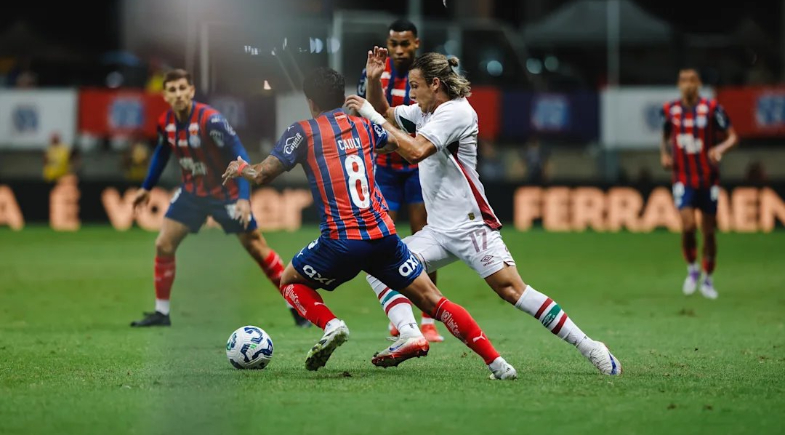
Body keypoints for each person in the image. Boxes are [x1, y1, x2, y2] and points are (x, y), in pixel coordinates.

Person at [222, 66, 517, 379]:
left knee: (289, 281)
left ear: (311, 102)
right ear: (341, 97)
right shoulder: (364, 127)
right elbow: (394, 144)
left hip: (340, 241)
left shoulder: (302, 132)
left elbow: (262, 174)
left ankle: (331, 325)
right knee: (434, 300)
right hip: (384, 237)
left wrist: (241, 169)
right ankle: (498, 364)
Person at [347, 47, 621, 375]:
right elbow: (384, 113)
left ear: (435, 84)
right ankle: (409, 333)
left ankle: (590, 346)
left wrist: (372, 115)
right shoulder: (424, 112)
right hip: (438, 230)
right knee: (379, 264)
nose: (411, 93)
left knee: (512, 290)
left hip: (471, 227)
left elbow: (415, 151)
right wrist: (374, 81)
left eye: (416, 86)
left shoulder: (456, 112)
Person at [129, 69, 309, 328]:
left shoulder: (211, 121)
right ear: (165, 95)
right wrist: (146, 187)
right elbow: (162, 152)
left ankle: (296, 307)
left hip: (227, 193)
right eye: (173, 90)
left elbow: (239, 154)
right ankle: (161, 312)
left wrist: (244, 198)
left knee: (257, 248)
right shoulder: (165, 123)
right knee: (163, 245)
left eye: (183, 88)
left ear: (191, 91)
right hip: (192, 193)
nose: (178, 94)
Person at [357, 19, 443, 342]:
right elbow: (363, 112)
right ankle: (399, 316)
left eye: (405, 43)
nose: (399, 49)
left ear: (416, 43)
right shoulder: (374, 73)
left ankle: (429, 318)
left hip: (419, 169)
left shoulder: (426, 76)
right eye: (393, 43)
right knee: (383, 240)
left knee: (425, 239)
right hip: (385, 170)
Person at [659, 68, 738, 299]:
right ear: (678, 84)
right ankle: (693, 269)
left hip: (708, 178)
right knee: (688, 226)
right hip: (683, 177)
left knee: (709, 232)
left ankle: (708, 279)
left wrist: (719, 149)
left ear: (699, 84)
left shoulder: (712, 108)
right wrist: (664, 154)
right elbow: (664, 136)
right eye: (684, 80)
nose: (688, 84)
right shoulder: (670, 110)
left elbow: (733, 137)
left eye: (692, 80)